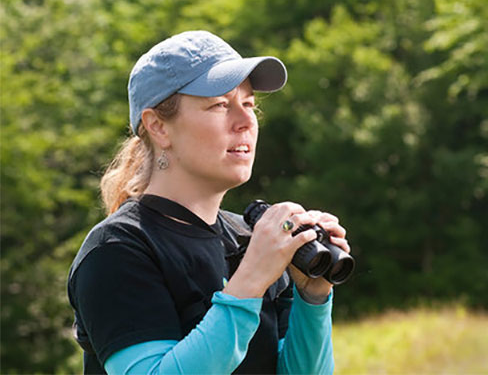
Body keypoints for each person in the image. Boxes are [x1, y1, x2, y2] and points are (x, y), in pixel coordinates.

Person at [67, 30, 351, 375]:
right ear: (158, 127)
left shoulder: (253, 238)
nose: (246, 121)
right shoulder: (118, 249)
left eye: (249, 104)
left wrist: (314, 297)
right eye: (220, 104)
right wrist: (250, 280)